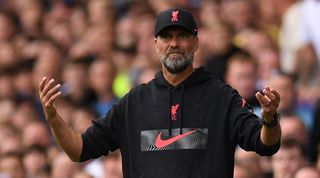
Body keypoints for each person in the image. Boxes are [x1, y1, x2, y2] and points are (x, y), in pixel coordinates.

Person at [38, 8, 282, 177]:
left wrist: (270, 118)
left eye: (182, 36)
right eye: (166, 36)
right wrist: (52, 117)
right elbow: (79, 150)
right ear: (156, 44)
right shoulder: (134, 102)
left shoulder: (221, 97)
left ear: (196, 43)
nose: (174, 43)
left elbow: (265, 144)